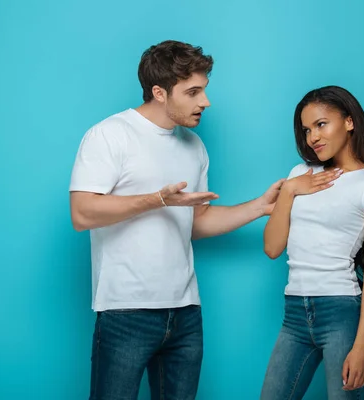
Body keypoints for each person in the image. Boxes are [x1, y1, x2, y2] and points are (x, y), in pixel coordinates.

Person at [69, 40, 289, 400]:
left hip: (185, 313)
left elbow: (197, 223)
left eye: (204, 90)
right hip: (126, 311)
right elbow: (82, 213)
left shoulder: (194, 146)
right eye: (193, 92)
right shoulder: (110, 135)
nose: (205, 102)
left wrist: (260, 207)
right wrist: (157, 200)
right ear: (159, 92)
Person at [260, 85, 364, 399]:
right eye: (307, 129)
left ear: (349, 122)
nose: (313, 136)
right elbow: (272, 248)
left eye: (321, 124)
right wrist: (289, 191)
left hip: (340, 313)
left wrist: (362, 346)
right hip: (294, 312)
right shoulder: (300, 174)